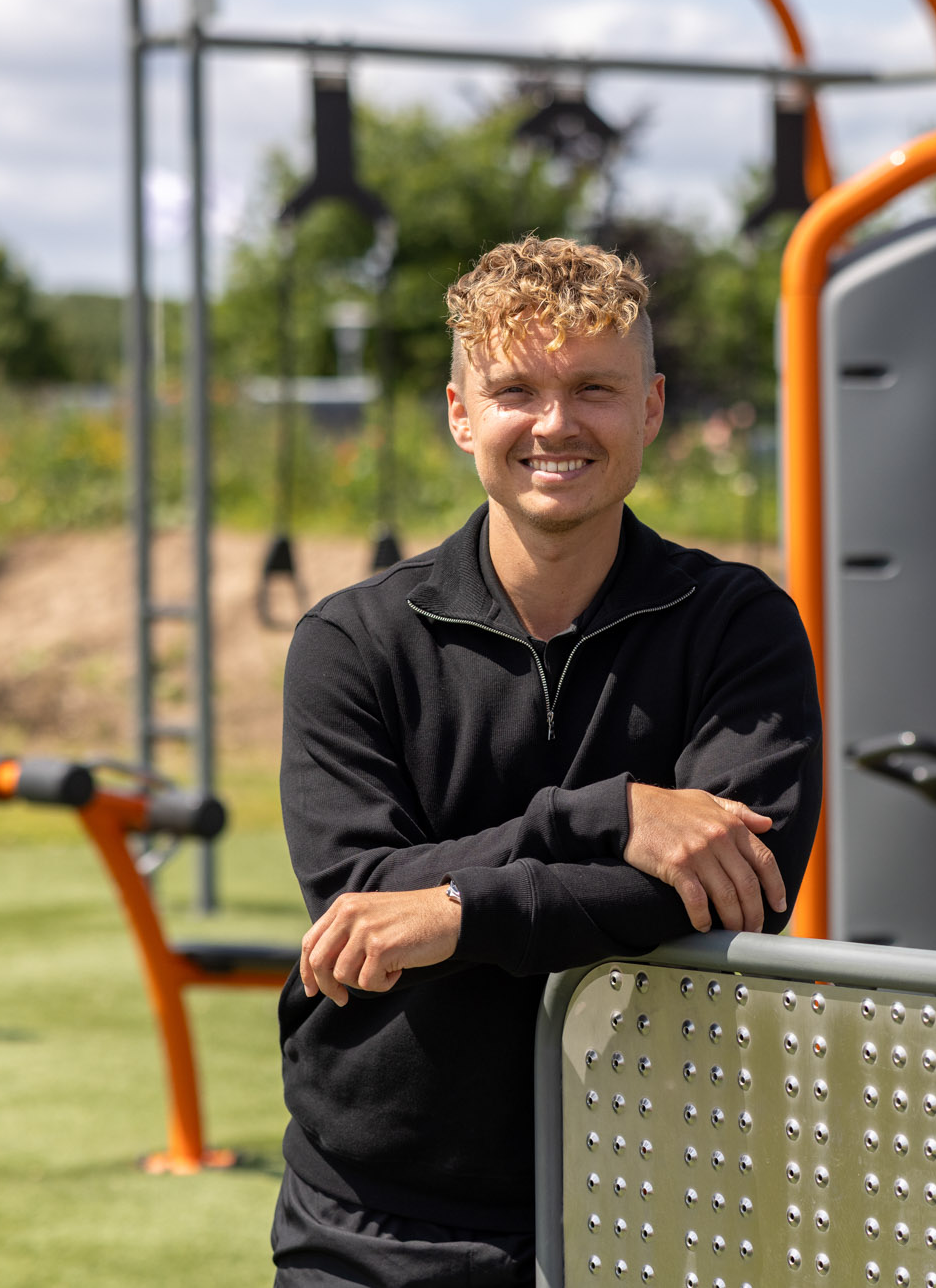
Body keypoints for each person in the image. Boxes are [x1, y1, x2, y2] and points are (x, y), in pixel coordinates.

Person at [270, 235, 822, 1288]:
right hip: (382, 1210)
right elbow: (364, 899)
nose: (555, 423)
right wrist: (608, 819)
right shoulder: (351, 641)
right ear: (459, 412)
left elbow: (736, 889)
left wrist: (458, 912)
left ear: (650, 407)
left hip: (668, 1194)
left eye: (593, 389)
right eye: (515, 388)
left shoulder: (736, 626)